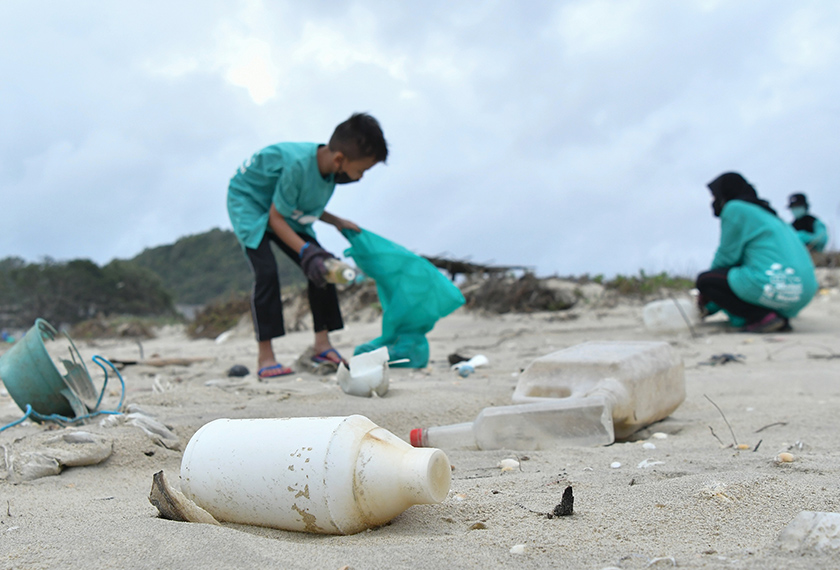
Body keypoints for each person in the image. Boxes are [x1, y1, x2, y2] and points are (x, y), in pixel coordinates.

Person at [227, 113, 388, 378]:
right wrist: (306, 252)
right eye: (360, 171)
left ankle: (322, 346)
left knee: (323, 268)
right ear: (340, 159)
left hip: (282, 209)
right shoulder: (298, 165)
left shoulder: (331, 171)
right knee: (267, 272)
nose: (359, 178)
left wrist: (336, 221)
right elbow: (275, 217)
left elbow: (303, 203)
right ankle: (265, 357)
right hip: (250, 203)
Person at [695, 172, 818, 333]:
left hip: (775, 286)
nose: (714, 202)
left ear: (724, 194)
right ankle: (775, 317)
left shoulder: (734, 208)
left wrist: (706, 295)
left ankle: (759, 317)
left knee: (706, 280)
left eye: (714, 196)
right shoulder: (768, 213)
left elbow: (726, 257)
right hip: (804, 292)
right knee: (739, 277)